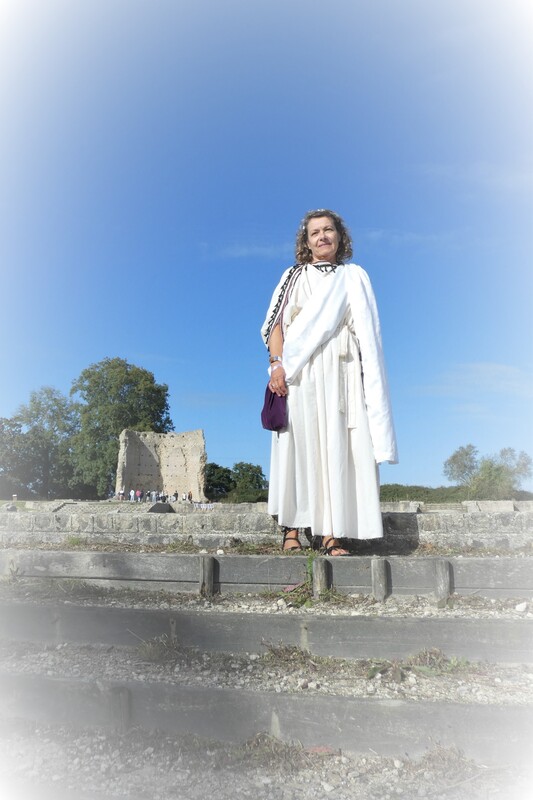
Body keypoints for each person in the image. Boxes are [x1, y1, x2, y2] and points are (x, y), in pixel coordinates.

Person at [261, 209, 398, 555]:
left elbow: (368, 333)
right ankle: (292, 527)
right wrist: (276, 365)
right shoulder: (294, 275)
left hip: (343, 371)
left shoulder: (354, 277)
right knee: (300, 445)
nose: (322, 237)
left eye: (328, 230)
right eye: (314, 233)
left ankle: (331, 531)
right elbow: (275, 324)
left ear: (340, 236)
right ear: (306, 242)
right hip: (301, 371)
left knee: (337, 448)